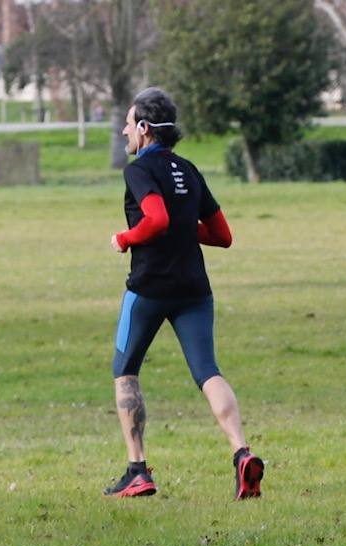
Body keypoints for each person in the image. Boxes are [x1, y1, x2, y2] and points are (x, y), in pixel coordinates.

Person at [102, 87, 264, 500]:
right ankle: (241, 453)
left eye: (128, 122)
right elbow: (221, 235)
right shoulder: (189, 170)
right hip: (194, 288)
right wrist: (182, 228)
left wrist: (125, 238)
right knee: (207, 371)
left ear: (144, 128)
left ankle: (137, 470)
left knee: (125, 369)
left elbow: (154, 219)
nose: (123, 131)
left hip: (149, 287)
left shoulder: (140, 169)